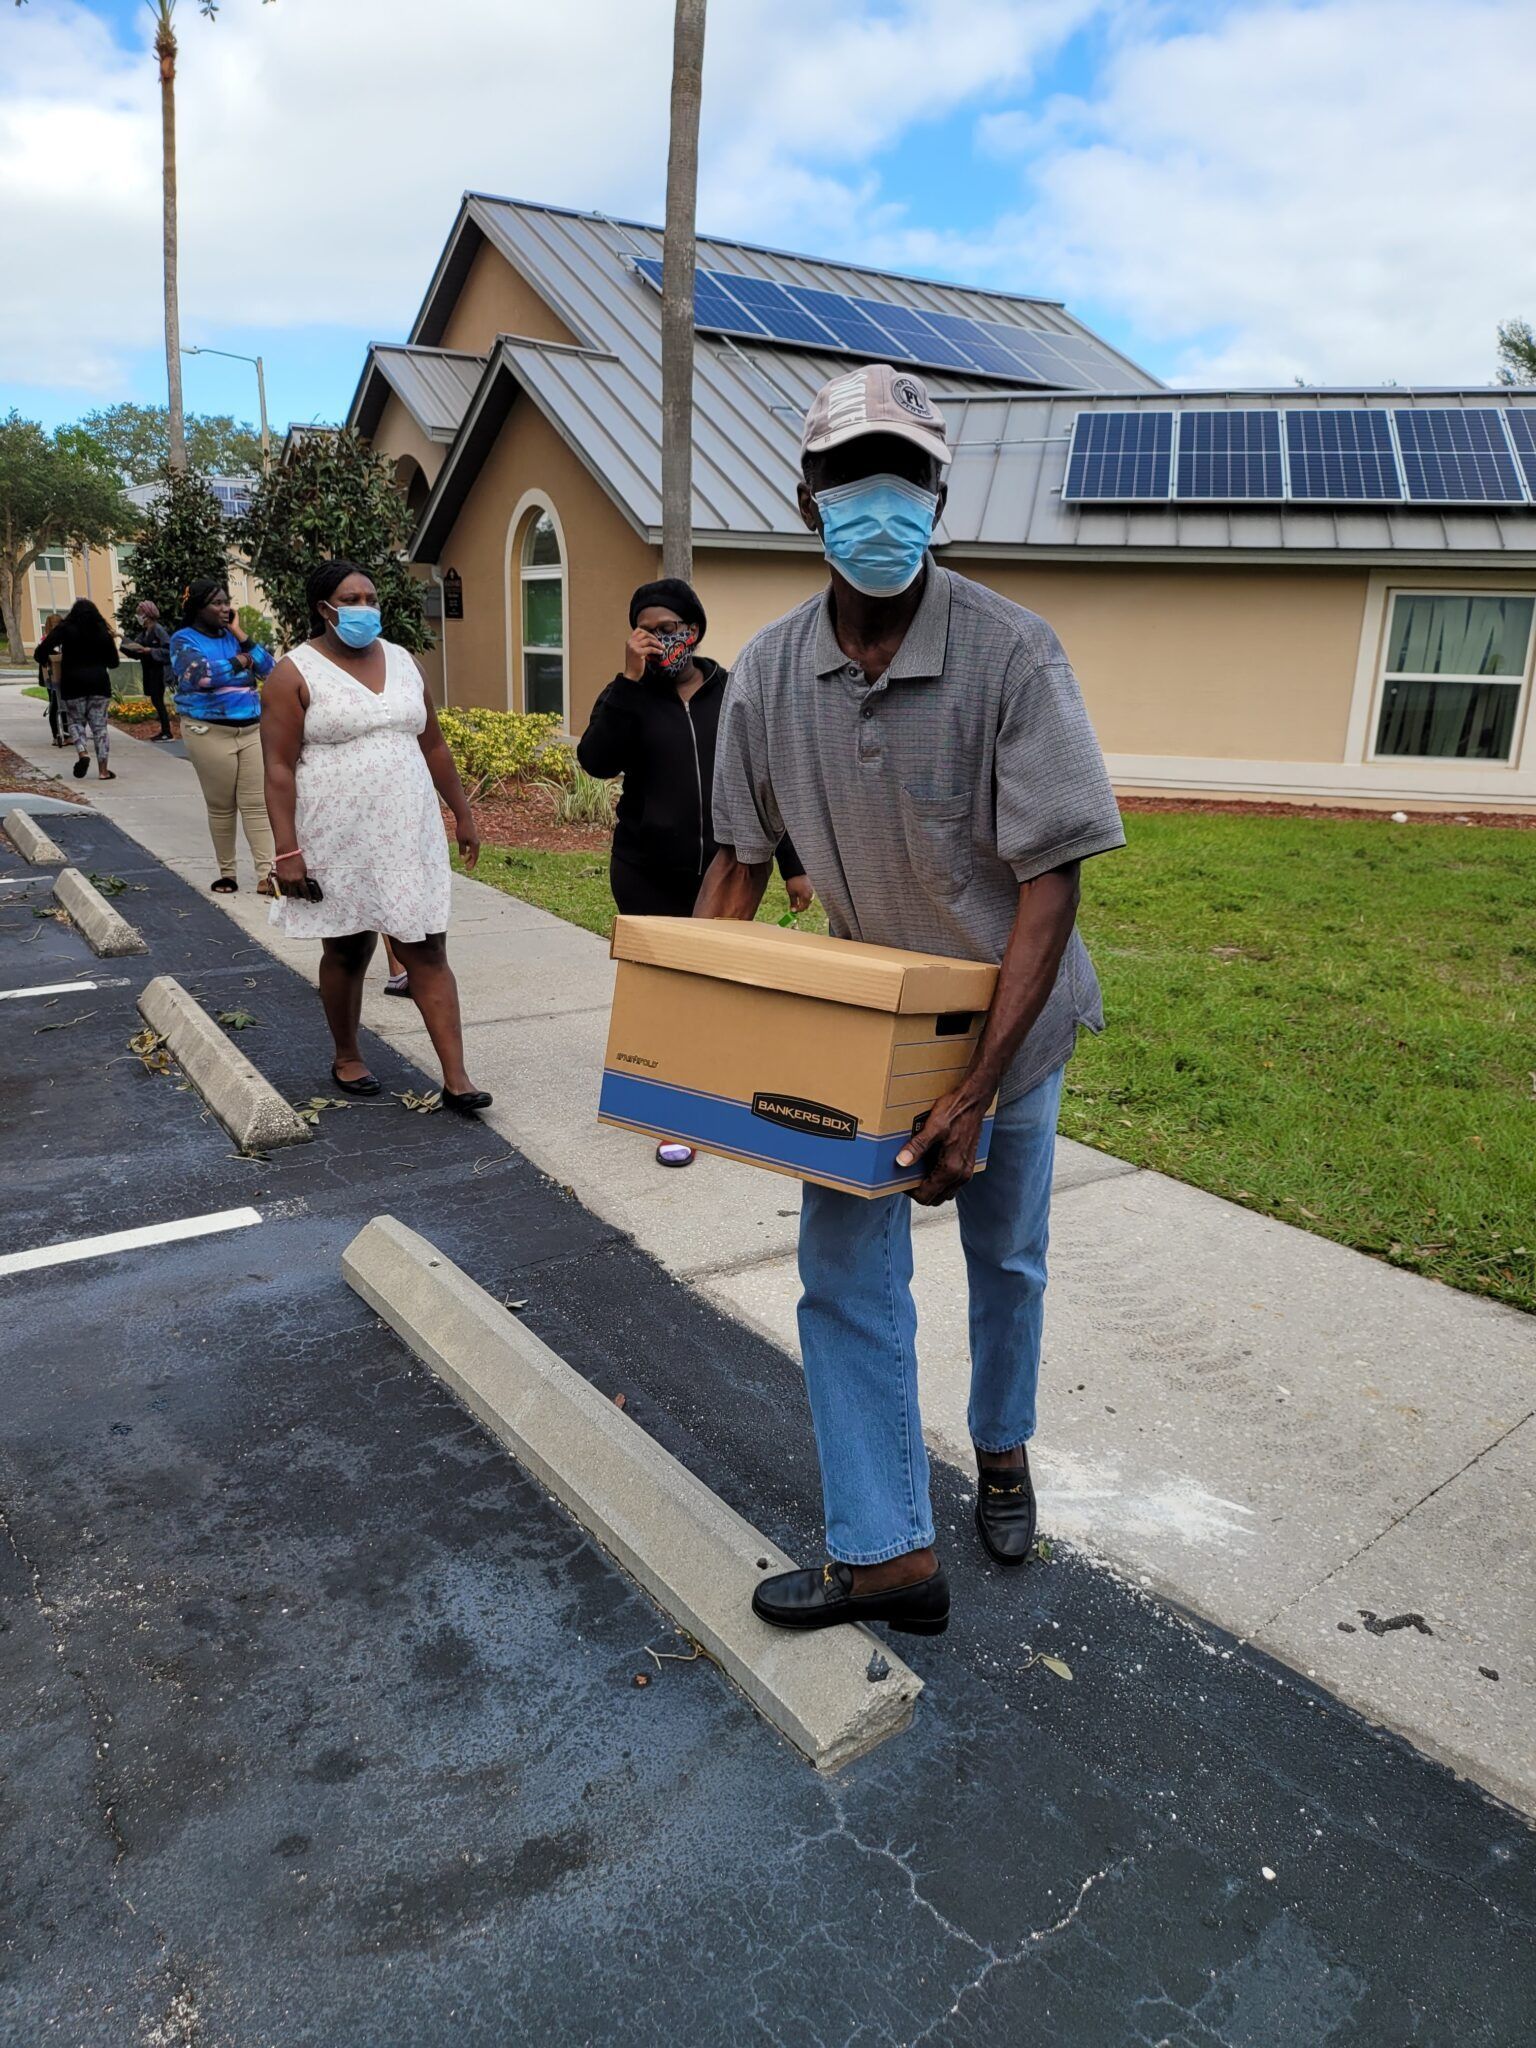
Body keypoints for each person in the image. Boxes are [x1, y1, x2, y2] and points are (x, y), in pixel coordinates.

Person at [701, 364, 1125, 1639]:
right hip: (860, 1043)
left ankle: (1003, 1449)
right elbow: (734, 863)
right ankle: (887, 1551)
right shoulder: (768, 675)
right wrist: (694, 1051)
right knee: (844, 1274)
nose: (875, 503)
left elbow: (1050, 888)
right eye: (848, 479)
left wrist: (981, 1087)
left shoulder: (1011, 651)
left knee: (1007, 1256)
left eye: (902, 479)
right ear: (807, 499)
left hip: (1016, 1027)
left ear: (936, 497)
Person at [578, 576, 813, 1168]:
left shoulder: (735, 694)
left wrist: (794, 867)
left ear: (694, 631)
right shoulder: (629, 695)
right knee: (664, 991)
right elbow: (596, 761)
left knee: (713, 987)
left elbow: (770, 785)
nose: (659, 641)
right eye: (647, 631)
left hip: (729, 871)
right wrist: (628, 683)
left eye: (670, 630)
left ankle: (712, 1091)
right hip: (644, 869)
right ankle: (671, 1111)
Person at [260, 559, 491, 1115]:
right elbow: (278, 770)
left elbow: (432, 743)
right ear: (325, 609)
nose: (366, 607)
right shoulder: (293, 673)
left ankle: (457, 1079)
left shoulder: (406, 661)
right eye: (352, 598)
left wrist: (462, 811)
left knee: (425, 945)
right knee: (347, 946)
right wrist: (287, 851)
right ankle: (346, 1055)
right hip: (335, 836)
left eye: (370, 597)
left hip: (406, 833)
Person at [170, 579, 278, 894]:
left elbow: (269, 669)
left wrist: (241, 636)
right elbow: (202, 675)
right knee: (222, 805)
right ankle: (227, 873)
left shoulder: (235, 639)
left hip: (252, 729)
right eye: (216, 603)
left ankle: (267, 874)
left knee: (257, 803)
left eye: (226, 602)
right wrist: (242, 663)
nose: (225, 608)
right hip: (208, 731)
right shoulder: (183, 640)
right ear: (197, 608)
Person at [34, 599, 120, 781]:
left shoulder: (66, 629)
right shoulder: (102, 631)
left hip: (73, 683)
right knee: (100, 728)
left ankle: (83, 753)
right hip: (99, 684)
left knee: (75, 722)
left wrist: (47, 660)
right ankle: (103, 771)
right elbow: (114, 662)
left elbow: (41, 651)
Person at [121, 599, 175, 739]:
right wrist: (121, 639)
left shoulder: (158, 630)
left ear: (147, 615)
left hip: (158, 671)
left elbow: (169, 650)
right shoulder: (145, 632)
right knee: (156, 700)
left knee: (158, 700)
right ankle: (164, 730)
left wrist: (150, 651)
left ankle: (166, 732)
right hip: (150, 671)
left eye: (139, 613)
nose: (137, 616)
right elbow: (134, 647)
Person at [35, 613, 67, 746]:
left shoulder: (64, 639)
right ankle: (56, 734)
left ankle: (66, 731)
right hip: (51, 676)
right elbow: (42, 654)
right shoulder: (46, 640)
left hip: (62, 676)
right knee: (55, 703)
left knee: (64, 703)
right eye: (54, 625)